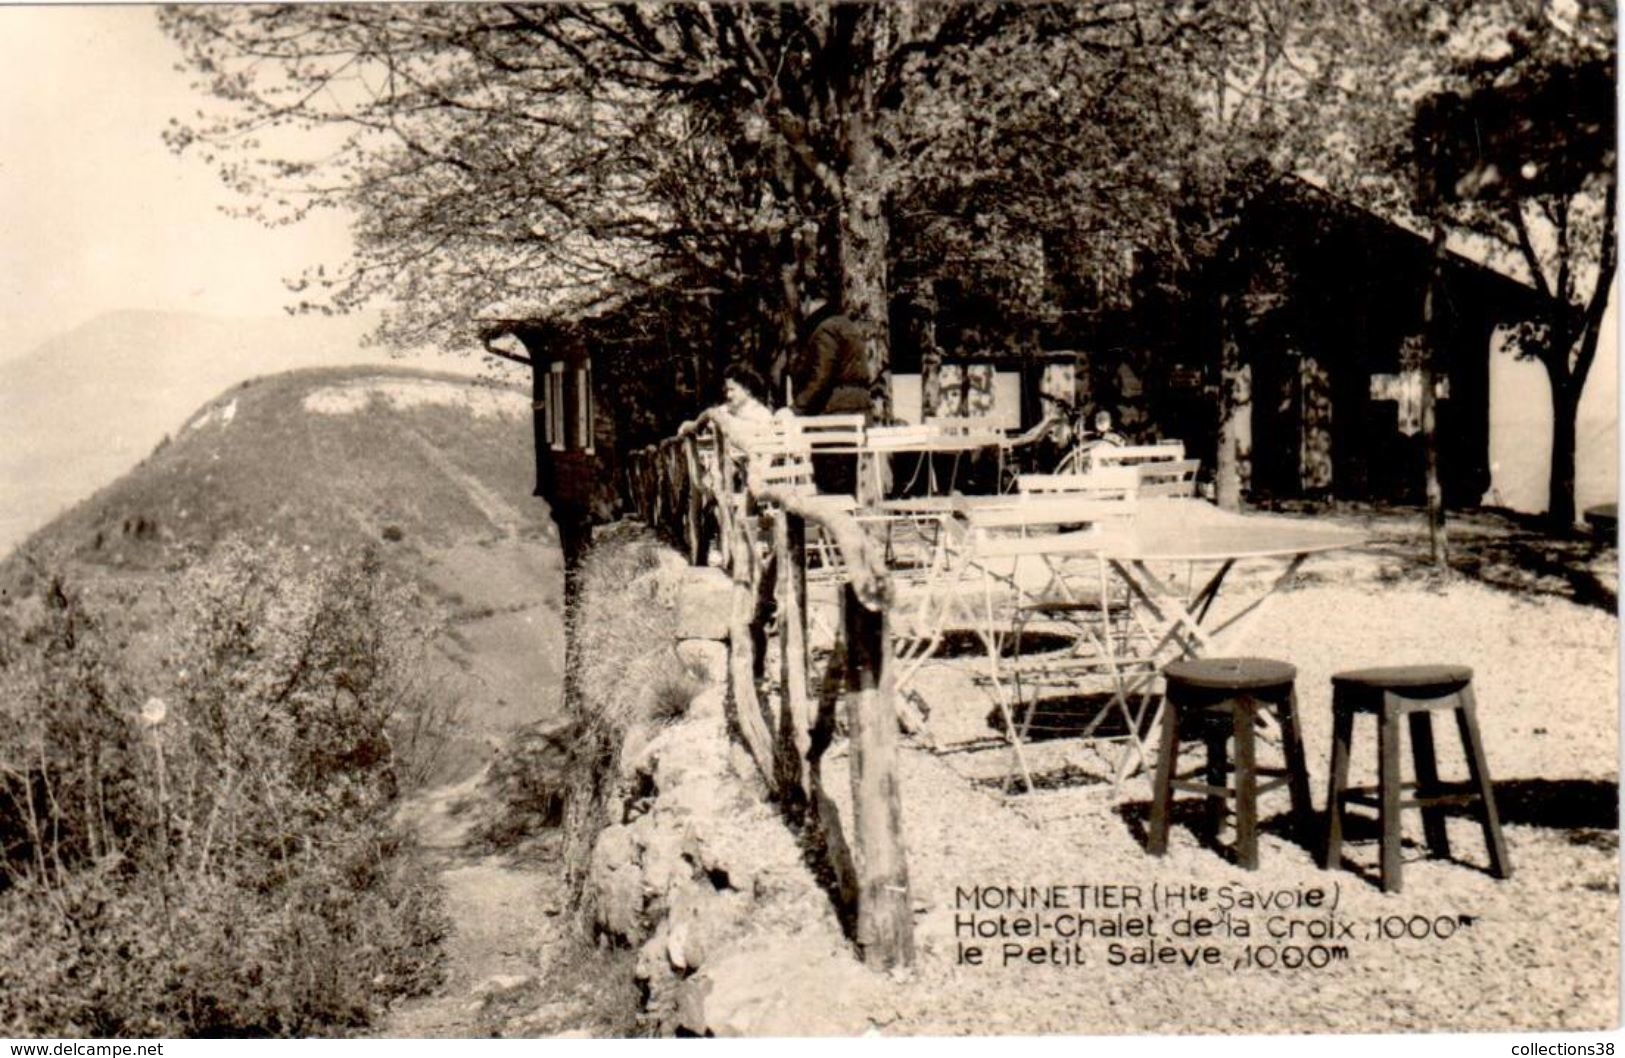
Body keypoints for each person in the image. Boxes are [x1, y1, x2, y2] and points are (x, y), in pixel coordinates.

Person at [780, 297, 873, 494]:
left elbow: (821, 377)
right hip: (854, 415)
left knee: (831, 487)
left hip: (833, 419)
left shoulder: (825, 330)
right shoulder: (847, 325)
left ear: (808, 301)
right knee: (847, 486)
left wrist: (795, 409)